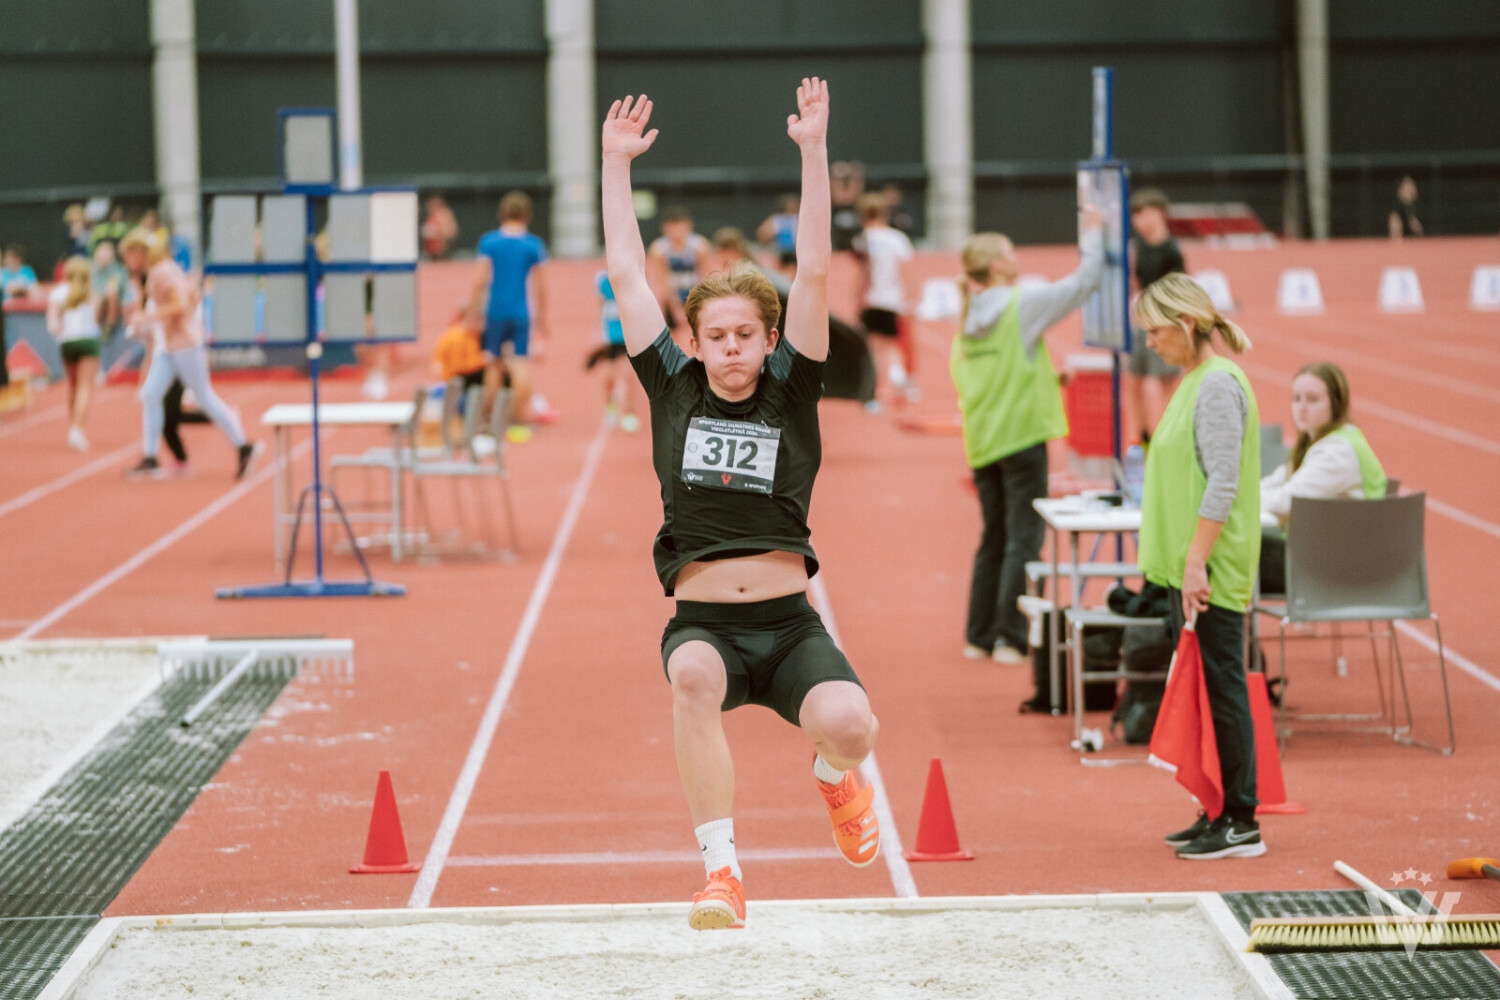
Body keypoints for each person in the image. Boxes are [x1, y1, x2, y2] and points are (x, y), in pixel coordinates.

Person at [603, 79, 880, 931]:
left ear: (769, 339)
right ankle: (722, 872)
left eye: (744, 336)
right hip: (704, 623)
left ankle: (835, 778)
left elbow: (820, 268)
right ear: (694, 342)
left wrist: (813, 151)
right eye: (714, 337)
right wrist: (615, 167)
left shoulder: (791, 389)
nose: (730, 350)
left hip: (791, 622)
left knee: (853, 726)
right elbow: (623, 270)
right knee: (689, 677)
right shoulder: (672, 386)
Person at [1132, 272, 1265, 860]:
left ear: (1187, 324)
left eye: (1156, 331)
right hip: (1187, 566)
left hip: (1209, 568)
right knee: (1207, 691)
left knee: (1223, 686)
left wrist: (1196, 563)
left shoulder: (1216, 386)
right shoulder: (1192, 381)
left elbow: (1224, 481)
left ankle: (1241, 818)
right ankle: (1216, 808)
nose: (1150, 344)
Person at [952, 211, 1104, 665]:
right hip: (1020, 437)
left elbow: (981, 377)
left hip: (983, 440)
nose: (1016, 258)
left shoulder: (967, 319)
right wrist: (1095, 233)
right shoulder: (1021, 304)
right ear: (997, 263)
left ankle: (978, 635)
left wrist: (1046, 378)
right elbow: (1084, 283)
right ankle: (1010, 636)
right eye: (1010, 252)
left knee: (994, 537)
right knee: (1023, 538)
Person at [119, 228, 260, 480]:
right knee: (150, 395)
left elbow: (181, 304)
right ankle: (150, 457)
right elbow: (191, 296)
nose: (127, 261)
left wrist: (147, 316)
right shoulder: (161, 270)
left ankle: (243, 446)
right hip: (170, 346)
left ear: (140, 252)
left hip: (185, 344)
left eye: (129, 255)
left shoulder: (162, 271)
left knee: (204, 397)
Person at [1258, 362, 1386, 595]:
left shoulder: (1337, 452)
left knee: (1223, 551)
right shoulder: (1321, 444)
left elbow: (1287, 500)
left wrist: (1229, 502)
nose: (1302, 408)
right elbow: (1273, 484)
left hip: (1333, 570)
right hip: (1325, 560)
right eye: (1296, 399)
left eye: (1312, 399)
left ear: (1335, 405)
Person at [470, 191, 548, 444]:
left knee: (492, 363)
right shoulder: (533, 245)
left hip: (495, 311)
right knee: (520, 365)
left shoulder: (489, 242)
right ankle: (518, 420)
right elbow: (540, 286)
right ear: (527, 215)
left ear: (501, 213)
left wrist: (473, 311)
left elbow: (481, 280)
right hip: (520, 311)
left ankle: (494, 421)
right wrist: (543, 317)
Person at [1128, 187, 1185, 444]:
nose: (1139, 221)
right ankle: (1144, 436)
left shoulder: (1172, 251)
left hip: (1163, 322)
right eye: (1136, 216)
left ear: (1160, 214)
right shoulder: (1137, 246)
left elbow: (1180, 289)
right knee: (1133, 380)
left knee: (1166, 383)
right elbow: (1134, 280)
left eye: (1145, 214)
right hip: (1141, 320)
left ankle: (1167, 436)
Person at [852, 192, 915, 406]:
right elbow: (907, 271)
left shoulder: (863, 239)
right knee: (892, 347)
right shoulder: (897, 239)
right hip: (892, 300)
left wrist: (859, 298)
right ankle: (899, 380)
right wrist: (910, 297)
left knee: (873, 349)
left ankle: (874, 395)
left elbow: (865, 274)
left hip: (872, 299)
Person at [45, 256, 104, 451]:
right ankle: (77, 429)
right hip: (88, 342)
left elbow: (52, 325)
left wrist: (62, 330)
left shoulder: (57, 293)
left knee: (73, 386)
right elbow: (97, 321)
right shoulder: (92, 294)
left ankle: (74, 426)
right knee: (85, 387)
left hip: (67, 343)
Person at [585, 272, 639, 432]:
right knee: (608, 377)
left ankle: (629, 412)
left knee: (629, 375)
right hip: (610, 337)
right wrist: (599, 335)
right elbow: (600, 309)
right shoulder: (601, 281)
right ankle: (611, 407)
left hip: (628, 336)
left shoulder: (633, 277)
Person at [647, 205, 710, 331]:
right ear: (665, 228)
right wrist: (676, 309)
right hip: (672, 296)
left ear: (689, 226)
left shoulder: (699, 245)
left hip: (694, 293)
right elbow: (663, 281)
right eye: (672, 227)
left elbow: (704, 275)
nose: (677, 231)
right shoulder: (659, 249)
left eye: (680, 226)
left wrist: (695, 303)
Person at [756, 194, 799, 273]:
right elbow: (762, 234)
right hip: (779, 253)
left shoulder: (798, 219)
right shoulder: (777, 219)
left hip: (796, 253)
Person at [422, 195, 459, 260]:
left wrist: (439, 233)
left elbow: (451, 232)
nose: (431, 207)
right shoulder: (429, 217)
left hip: (443, 249)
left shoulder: (444, 214)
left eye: (434, 204)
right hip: (431, 252)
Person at [1389, 176, 1423, 240]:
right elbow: (1394, 225)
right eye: (1408, 188)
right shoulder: (1397, 207)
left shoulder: (1412, 207)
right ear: (1401, 190)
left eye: (1412, 187)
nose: (1412, 190)